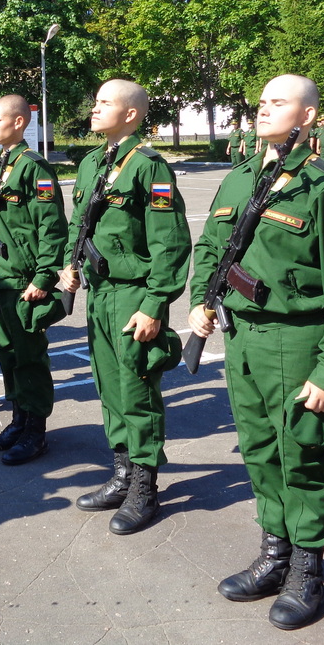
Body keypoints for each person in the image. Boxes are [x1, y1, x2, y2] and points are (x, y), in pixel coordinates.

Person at [187, 74, 324, 630]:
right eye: (261, 101)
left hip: (297, 342)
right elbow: (212, 247)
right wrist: (202, 300)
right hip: (242, 338)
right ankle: (275, 553)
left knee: (302, 456)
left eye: (278, 101)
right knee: (259, 450)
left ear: (309, 116)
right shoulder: (242, 177)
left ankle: (307, 569)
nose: (263, 108)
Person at [60, 80, 191, 534]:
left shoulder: (149, 168)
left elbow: (170, 242)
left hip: (133, 294)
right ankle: (121, 474)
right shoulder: (95, 161)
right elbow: (81, 221)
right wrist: (69, 265)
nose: (93, 109)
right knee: (109, 388)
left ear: (131, 114)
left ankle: (144, 487)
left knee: (136, 391)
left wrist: (155, 304)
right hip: (98, 292)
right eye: (94, 101)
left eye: (103, 103)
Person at [0, 94, 68, 465]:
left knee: (29, 357)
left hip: (25, 281)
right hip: (0, 279)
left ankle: (36, 431)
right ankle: (18, 419)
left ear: (20, 122)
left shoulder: (34, 167)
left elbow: (51, 227)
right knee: (8, 355)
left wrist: (44, 277)